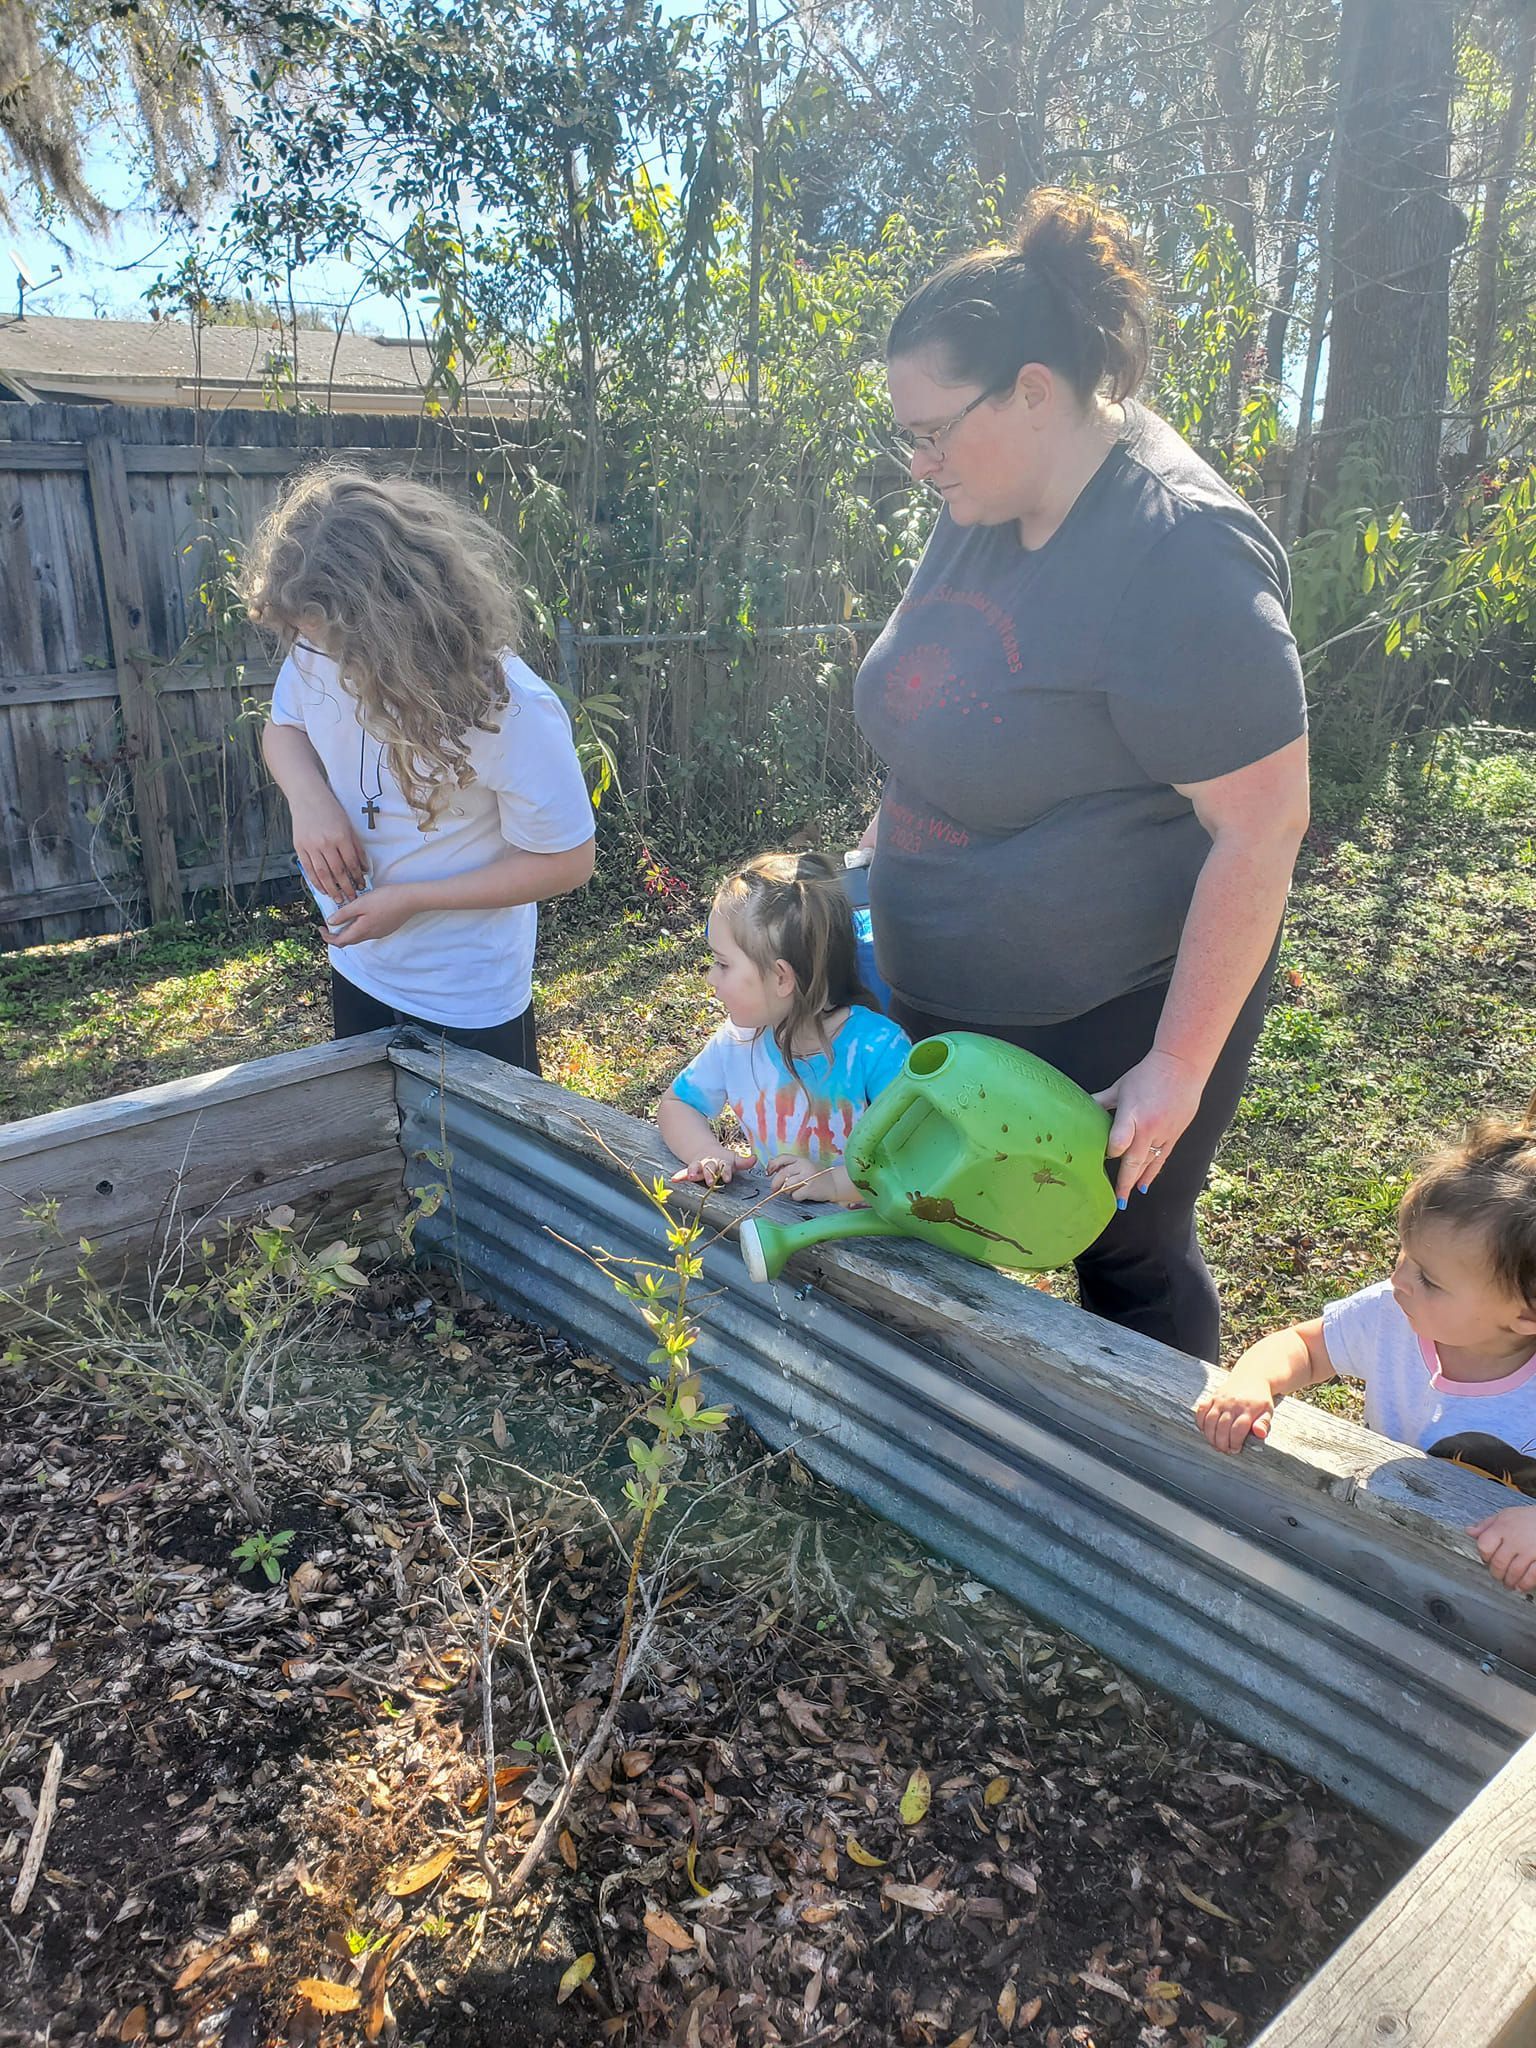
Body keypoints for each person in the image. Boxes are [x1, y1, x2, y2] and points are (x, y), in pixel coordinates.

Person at [853, 187, 1310, 1357]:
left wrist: (1178, 1062)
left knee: (1127, 1262)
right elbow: (950, 701)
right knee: (947, 1226)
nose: (917, 462)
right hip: (946, 998)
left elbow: (1262, 826)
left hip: (1108, 1021)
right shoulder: (984, 495)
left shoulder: (1181, 552)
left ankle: (1155, 1507)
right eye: (903, 435)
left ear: (1037, 391)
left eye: (931, 430)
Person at [246, 468, 596, 1072]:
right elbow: (282, 729)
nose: (317, 655)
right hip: (360, 964)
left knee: (482, 1167)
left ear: (395, 622)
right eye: (305, 636)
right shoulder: (316, 641)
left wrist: (413, 899)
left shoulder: (512, 710)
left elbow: (568, 861)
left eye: (332, 642)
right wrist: (310, 801)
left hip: (467, 996)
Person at [1195, 1103, 1536, 1595]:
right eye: (1405, 1254)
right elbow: (1304, 1347)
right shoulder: (1394, 1316)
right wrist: (1253, 1380)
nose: (1398, 1280)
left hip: (1502, 1601)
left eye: (1429, 1279)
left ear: (1525, 1315)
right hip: (1386, 1540)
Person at [657, 852, 912, 1204]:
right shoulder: (737, 1042)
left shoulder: (879, 1050)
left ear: (781, 978)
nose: (710, 979)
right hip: (779, 1228)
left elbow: (916, 1161)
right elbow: (676, 1104)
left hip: (875, 1246)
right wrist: (704, 1150)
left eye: (722, 964)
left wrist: (834, 1183)